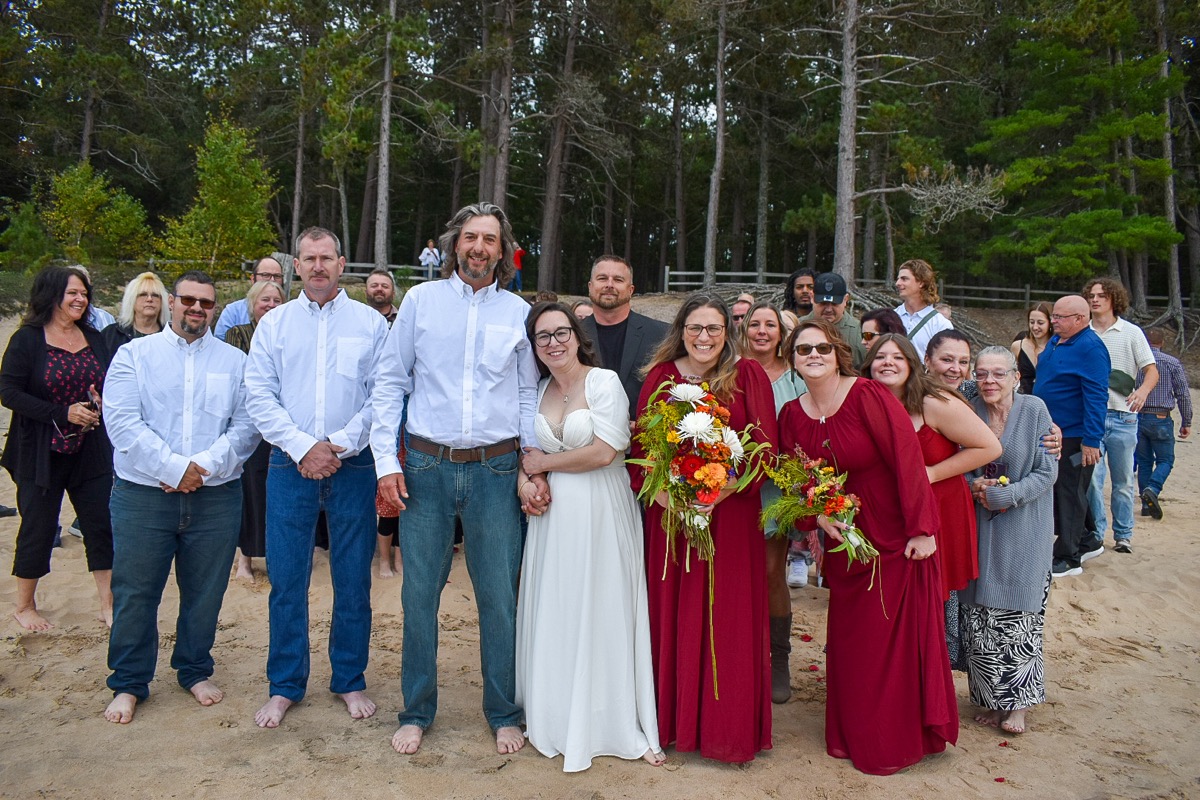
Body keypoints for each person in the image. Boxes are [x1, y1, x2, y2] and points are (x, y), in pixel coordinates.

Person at [372, 201, 547, 757]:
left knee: (499, 596)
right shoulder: (421, 302)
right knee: (419, 595)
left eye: (489, 239)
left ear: (503, 250)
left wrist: (528, 462)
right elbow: (389, 382)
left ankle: (503, 710)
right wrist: (386, 462)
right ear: (455, 244)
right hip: (425, 467)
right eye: (470, 237)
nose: (478, 247)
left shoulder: (517, 312)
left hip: (496, 470)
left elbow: (525, 393)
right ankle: (416, 710)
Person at [777, 319, 958, 775]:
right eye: (803, 350)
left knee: (887, 643)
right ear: (793, 361)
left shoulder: (868, 396)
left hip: (895, 534)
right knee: (852, 643)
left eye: (821, 347)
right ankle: (850, 732)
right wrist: (816, 518)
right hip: (843, 539)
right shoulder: (791, 415)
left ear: (838, 352)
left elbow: (907, 460)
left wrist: (922, 528)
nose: (813, 355)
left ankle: (891, 740)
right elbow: (794, 485)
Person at [244, 227, 389, 728]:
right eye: (309, 259)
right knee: (287, 580)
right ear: (297, 266)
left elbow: (383, 394)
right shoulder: (275, 325)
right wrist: (304, 446)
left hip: (354, 466)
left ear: (342, 263)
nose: (319, 266)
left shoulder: (371, 324)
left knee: (352, 581)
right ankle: (285, 684)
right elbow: (258, 395)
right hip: (290, 465)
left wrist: (340, 444)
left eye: (327, 258)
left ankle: (349, 679)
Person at [101, 270, 260, 724]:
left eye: (206, 303)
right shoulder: (134, 356)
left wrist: (201, 468)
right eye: (188, 300)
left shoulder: (235, 362)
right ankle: (129, 682)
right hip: (143, 495)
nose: (196, 309)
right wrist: (174, 469)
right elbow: (124, 425)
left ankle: (193, 669)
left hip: (214, 496)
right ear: (171, 302)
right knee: (135, 591)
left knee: (205, 592)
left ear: (215, 307)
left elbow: (246, 426)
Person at [514, 302, 663, 771]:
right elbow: (527, 452)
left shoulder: (604, 382)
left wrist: (544, 466)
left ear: (579, 338)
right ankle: (553, 714)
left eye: (562, 333)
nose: (554, 343)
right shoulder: (536, 389)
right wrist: (527, 479)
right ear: (534, 347)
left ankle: (610, 721)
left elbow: (605, 451)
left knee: (602, 608)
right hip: (551, 521)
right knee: (557, 608)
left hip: (600, 511)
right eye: (543, 337)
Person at [630, 293, 776, 764]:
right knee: (673, 611)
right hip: (671, 516)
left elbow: (763, 448)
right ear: (681, 330)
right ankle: (670, 721)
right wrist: (666, 493)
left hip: (728, 517)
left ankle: (725, 729)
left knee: (727, 616)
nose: (704, 337)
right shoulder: (662, 377)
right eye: (695, 327)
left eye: (714, 328)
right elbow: (642, 443)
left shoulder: (748, 374)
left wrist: (721, 492)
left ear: (727, 332)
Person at [863, 333, 1001, 670]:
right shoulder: (861, 402)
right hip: (886, 513)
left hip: (938, 508)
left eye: (897, 357)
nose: (888, 364)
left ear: (912, 362)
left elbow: (989, 447)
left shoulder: (933, 401)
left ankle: (928, 671)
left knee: (928, 601)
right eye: (881, 357)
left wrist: (931, 474)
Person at [0, 266, 114, 631]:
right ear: (52, 296)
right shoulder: (27, 339)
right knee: (38, 525)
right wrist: (62, 412)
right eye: (72, 294)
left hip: (89, 448)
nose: (81, 299)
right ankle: (24, 605)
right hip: (39, 451)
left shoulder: (94, 337)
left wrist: (99, 403)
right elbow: (9, 392)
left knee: (100, 525)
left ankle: (108, 604)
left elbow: (108, 381)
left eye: (84, 293)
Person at [963, 346, 1057, 735]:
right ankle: (990, 699)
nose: (990, 382)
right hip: (979, 526)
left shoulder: (1035, 410)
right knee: (982, 616)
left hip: (1024, 525)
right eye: (982, 374)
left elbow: (1046, 470)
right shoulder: (968, 407)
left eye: (999, 374)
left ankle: (1019, 704)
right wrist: (972, 486)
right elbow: (955, 458)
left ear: (1016, 377)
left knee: (1019, 617)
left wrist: (1006, 494)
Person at [738, 301, 806, 702]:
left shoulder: (795, 377)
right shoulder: (729, 369)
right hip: (729, 484)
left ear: (782, 333)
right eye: (755, 324)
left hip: (775, 490)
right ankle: (740, 654)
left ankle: (778, 658)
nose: (762, 331)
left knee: (769, 571)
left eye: (771, 325)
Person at [1034, 295, 1109, 578]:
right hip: (1051, 430)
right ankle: (1089, 536)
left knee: (1070, 490)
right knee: (1069, 490)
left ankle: (1068, 556)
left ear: (1080, 319)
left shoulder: (1091, 348)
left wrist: (1092, 440)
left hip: (1076, 435)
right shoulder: (1057, 340)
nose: (1053, 321)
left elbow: (1096, 395)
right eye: (1054, 315)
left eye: (1060, 317)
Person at [1083, 277, 1157, 554]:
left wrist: (1143, 393)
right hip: (1092, 416)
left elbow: (1151, 370)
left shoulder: (1131, 332)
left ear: (1114, 299)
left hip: (1124, 418)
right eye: (1091, 295)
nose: (1095, 299)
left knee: (1124, 481)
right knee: (1092, 479)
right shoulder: (1083, 332)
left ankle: (1124, 534)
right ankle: (1097, 533)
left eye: (1101, 295)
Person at [225, 280, 286, 580]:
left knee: (276, 497)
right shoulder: (238, 334)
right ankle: (245, 561)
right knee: (249, 492)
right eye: (265, 300)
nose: (271, 305)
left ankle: (277, 558)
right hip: (249, 423)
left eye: (277, 300)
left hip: (283, 424)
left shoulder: (287, 333)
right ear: (252, 303)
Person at [579, 256, 669, 420]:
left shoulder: (661, 334)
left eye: (618, 280)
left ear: (631, 289)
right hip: (586, 437)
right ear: (590, 287)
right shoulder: (573, 336)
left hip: (641, 438)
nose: (609, 284)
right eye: (602, 278)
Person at [1135, 328, 1191, 520]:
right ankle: (1153, 488)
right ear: (1162, 343)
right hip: (1160, 417)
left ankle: (1145, 503)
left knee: (1144, 462)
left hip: (1139, 417)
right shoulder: (1172, 363)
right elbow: (1183, 393)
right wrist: (1187, 420)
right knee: (1166, 460)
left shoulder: (1138, 362)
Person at [213, 255, 287, 341]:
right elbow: (220, 345)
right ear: (253, 279)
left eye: (277, 276)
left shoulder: (288, 313)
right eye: (266, 275)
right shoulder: (233, 312)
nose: (272, 280)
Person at [803, 272, 866, 367]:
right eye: (823, 303)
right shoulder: (797, 327)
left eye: (834, 304)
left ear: (845, 300)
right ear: (812, 297)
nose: (828, 309)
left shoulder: (860, 332)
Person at [894, 258, 953, 358]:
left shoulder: (940, 324)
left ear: (921, 283)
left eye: (904, 279)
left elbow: (944, 361)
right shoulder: (891, 317)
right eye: (898, 278)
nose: (897, 283)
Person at [100, 272, 169, 354]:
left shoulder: (170, 336)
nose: (149, 299)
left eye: (155, 295)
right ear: (132, 300)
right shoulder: (111, 335)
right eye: (143, 294)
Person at [1011, 302, 1053, 395]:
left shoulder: (1057, 347)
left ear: (1050, 323)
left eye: (1040, 323)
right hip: (1024, 401)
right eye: (1032, 322)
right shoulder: (1018, 346)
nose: (1035, 327)